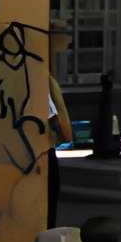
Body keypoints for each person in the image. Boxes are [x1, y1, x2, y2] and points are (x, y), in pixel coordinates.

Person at [46, 20, 73, 228]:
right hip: (44, 148)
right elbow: (52, 115)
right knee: (50, 194)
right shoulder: (41, 76)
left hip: (45, 148)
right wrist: (63, 132)